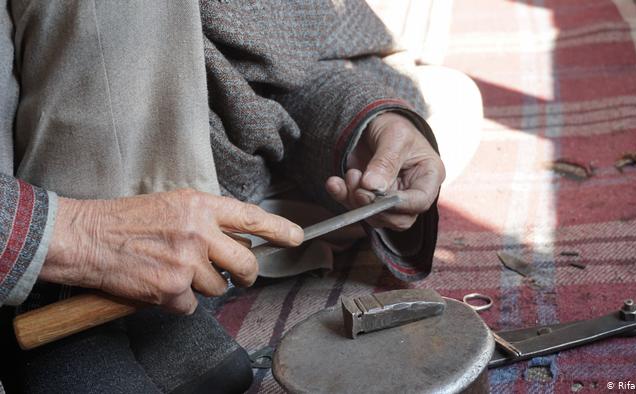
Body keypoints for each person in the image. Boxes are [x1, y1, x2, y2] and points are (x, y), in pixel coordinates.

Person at [0, 0, 482, 392]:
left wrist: (367, 127)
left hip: (202, 154)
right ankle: (69, 296)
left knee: (450, 100)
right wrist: (61, 235)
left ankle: (151, 276)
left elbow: (268, 61)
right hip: (28, 195)